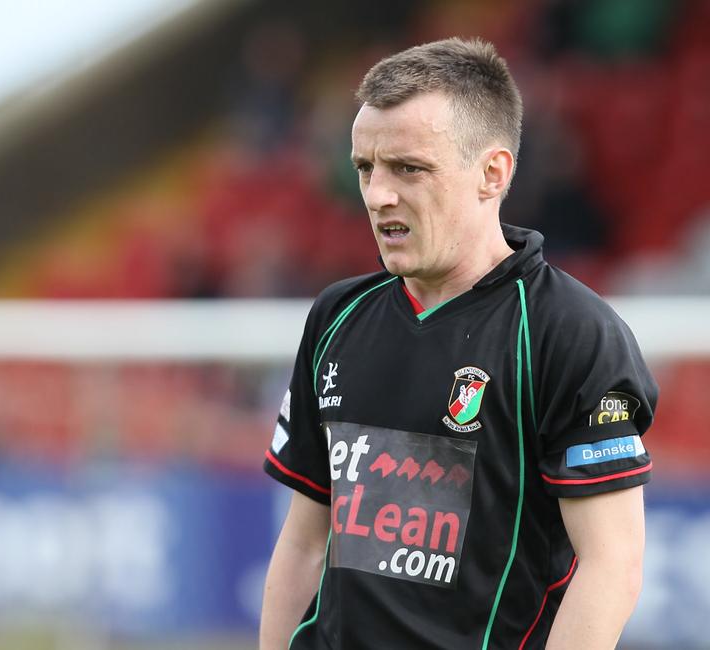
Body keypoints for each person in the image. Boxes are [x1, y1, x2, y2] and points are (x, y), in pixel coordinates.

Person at [259, 37, 657, 650]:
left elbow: (612, 565)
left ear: (492, 174)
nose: (378, 194)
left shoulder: (569, 332)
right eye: (365, 168)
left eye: (409, 168)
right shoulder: (338, 316)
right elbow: (305, 542)